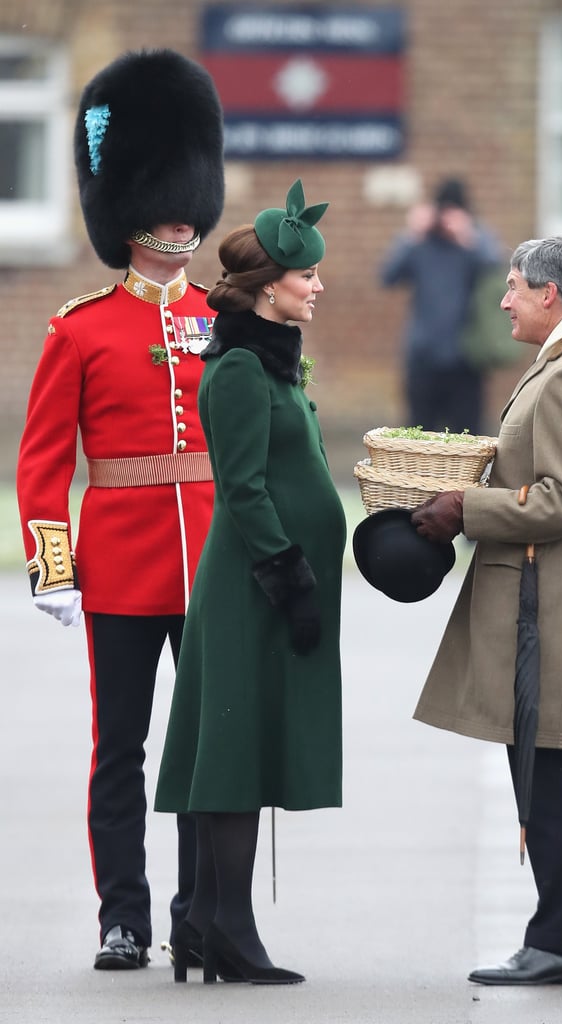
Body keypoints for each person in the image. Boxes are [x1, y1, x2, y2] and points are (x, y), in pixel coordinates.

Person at [15, 49, 225, 970]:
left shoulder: (225, 320)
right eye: (161, 201)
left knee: (204, 754)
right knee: (120, 754)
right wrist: (53, 564)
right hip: (120, 569)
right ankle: (123, 917)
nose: (178, 216)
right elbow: (42, 463)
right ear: (127, 212)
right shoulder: (82, 327)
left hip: (212, 562)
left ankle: (199, 911)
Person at [410, 236, 562, 985]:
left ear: (549, 293)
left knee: (552, 784)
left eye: (513, 287)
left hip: (555, 615)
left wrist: (464, 508)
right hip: (557, 608)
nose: (504, 299)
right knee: (557, 779)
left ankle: (559, 941)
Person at [154, 179, 346, 986]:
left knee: (247, 741)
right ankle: (228, 928)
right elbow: (242, 487)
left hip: (273, 585)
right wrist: (288, 575)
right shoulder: (235, 367)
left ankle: (203, 923)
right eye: (307, 277)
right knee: (231, 750)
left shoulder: (272, 360)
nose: (318, 286)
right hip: (251, 587)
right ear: (272, 288)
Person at [379, 177, 502, 435]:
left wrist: (468, 236)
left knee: (468, 435)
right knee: (418, 433)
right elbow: (387, 276)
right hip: (423, 357)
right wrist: (411, 234)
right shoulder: (421, 242)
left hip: (466, 358)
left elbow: (499, 270)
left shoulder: (474, 240)